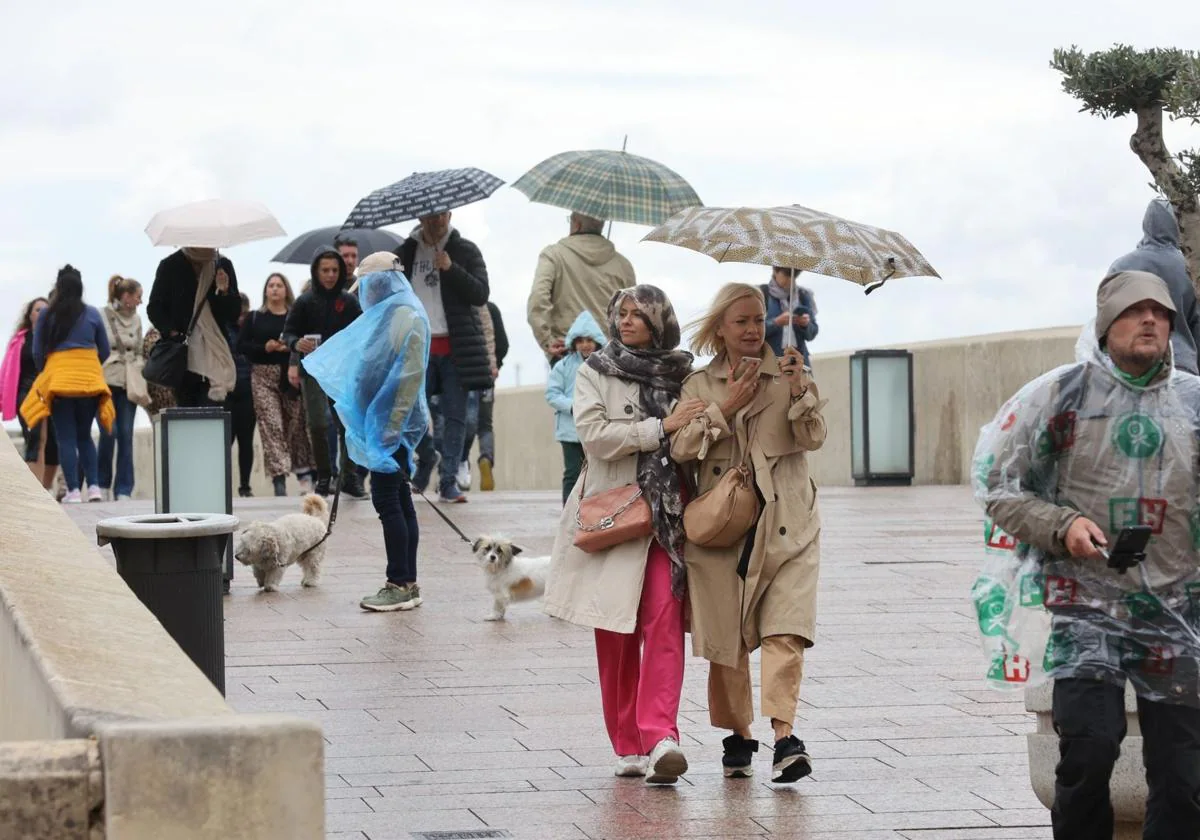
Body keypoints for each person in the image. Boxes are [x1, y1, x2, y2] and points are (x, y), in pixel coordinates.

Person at [974, 269, 1200, 839]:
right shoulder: (1062, 395)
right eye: (1135, 310)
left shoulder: (1192, 402)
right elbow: (999, 485)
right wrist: (1063, 523)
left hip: (1176, 609)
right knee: (1088, 752)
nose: (1151, 320)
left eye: (1161, 312)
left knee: (1184, 773)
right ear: (1105, 324)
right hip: (1086, 606)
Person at [543, 285, 704, 785]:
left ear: (660, 322)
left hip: (666, 514)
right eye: (623, 313)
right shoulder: (596, 370)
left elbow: (699, 434)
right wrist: (660, 428)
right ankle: (627, 742)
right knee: (615, 630)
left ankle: (661, 736)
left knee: (663, 616)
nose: (629, 321)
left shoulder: (684, 374)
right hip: (614, 512)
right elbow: (594, 437)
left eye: (640, 314)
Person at [669, 283, 827, 784]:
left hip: (789, 524)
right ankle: (738, 733)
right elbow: (683, 448)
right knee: (729, 642)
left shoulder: (789, 373)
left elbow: (814, 437)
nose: (753, 330)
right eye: (741, 321)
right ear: (720, 328)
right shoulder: (697, 384)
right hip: (722, 528)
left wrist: (800, 391)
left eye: (759, 319)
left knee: (786, 630)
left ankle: (786, 737)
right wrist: (726, 407)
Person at [301, 252, 431, 613]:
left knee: (390, 502)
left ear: (379, 284)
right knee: (400, 501)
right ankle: (408, 582)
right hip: (387, 425)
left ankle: (399, 582)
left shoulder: (403, 316)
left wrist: (388, 434)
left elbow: (405, 382)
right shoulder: (397, 312)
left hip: (390, 427)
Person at [395, 211, 491, 503]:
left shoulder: (465, 249)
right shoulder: (405, 252)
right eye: (428, 216)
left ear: (449, 215)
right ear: (419, 217)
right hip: (417, 346)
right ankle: (427, 458)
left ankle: (448, 480)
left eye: (440, 216)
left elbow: (481, 293)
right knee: (411, 414)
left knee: (455, 416)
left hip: (455, 347)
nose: (434, 221)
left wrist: (451, 268)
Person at [21, 265, 113, 504]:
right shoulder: (92, 314)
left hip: (59, 383)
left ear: (58, 288)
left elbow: (37, 350)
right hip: (89, 382)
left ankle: (73, 490)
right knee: (85, 436)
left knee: (66, 438)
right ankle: (93, 487)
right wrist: (89, 366)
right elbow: (104, 349)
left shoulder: (47, 315)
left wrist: (48, 372)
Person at [281, 247, 367, 499]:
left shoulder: (349, 301)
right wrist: (297, 344)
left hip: (342, 372)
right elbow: (289, 333)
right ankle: (324, 476)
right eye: (325, 270)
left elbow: (363, 332)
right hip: (315, 372)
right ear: (316, 272)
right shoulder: (305, 301)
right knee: (317, 424)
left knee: (347, 425)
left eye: (334, 270)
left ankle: (349, 476)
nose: (330, 275)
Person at [239, 272, 315, 496]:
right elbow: (242, 345)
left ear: (286, 290)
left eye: (279, 285)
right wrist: (265, 347)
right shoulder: (254, 317)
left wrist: (290, 347)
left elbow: (307, 342)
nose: (274, 289)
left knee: (295, 426)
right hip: (262, 377)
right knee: (271, 426)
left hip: (291, 376)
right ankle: (279, 480)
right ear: (265, 290)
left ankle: (304, 476)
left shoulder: (296, 317)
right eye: (270, 285)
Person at [527, 212, 636, 365]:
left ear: (576, 223)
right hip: (611, 355)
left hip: (567, 350)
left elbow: (538, 299)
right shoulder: (624, 265)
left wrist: (547, 341)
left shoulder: (553, 255)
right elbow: (631, 311)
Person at [1109, 198, 1200, 374]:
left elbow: (1107, 320)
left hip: (1132, 368)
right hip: (1183, 366)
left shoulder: (1121, 266)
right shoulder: (1190, 268)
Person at [147, 248, 240, 407]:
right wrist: (172, 332)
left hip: (215, 351)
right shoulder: (170, 265)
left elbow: (233, 314)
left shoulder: (222, 264)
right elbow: (155, 309)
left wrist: (224, 292)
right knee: (188, 416)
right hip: (183, 355)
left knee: (214, 417)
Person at [544, 310, 605, 504]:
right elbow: (552, 394)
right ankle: (568, 513)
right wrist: (573, 407)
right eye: (580, 341)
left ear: (597, 341)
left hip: (596, 428)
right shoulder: (563, 366)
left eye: (589, 340)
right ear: (574, 342)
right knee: (572, 472)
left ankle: (592, 514)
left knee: (597, 474)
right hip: (570, 431)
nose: (585, 345)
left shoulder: (605, 365)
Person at [1, 297, 58, 489]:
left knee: (53, 445)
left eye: (46, 310)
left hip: (50, 394)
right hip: (25, 394)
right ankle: (35, 489)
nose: (42, 313)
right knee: (35, 439)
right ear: (30, 315)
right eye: (38, 310)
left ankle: (46, 488)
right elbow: (7, 370)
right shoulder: (20, 339)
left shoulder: (54, 338)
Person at [98, 275, 144, 501]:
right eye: (138, 297)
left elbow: (140, 350)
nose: (140, 302)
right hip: (106, 380)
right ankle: (102, 483)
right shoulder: (102, 315)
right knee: (109, 432)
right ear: (126, 297)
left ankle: (124, 488)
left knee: (126, 434)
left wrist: (138, 366)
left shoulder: (137, 320)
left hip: (129, 383)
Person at [225, 293, 256, 497]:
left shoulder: (252, 329)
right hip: (227, 390)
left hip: (247, 389)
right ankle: (222, 484)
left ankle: (245, 486)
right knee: (224, 442)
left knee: (246, 442)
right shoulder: (224, 329)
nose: (241, 317)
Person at [761, 267, 818, 365]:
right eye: (786, 274)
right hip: (771, 361)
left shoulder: (804, 295)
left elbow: (812, 333)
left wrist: (805, 325)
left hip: (799, 361)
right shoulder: (762, 293)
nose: (790, 279)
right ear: (775, 271)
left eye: (794, 275)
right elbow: (754, 330)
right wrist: (776, 322)